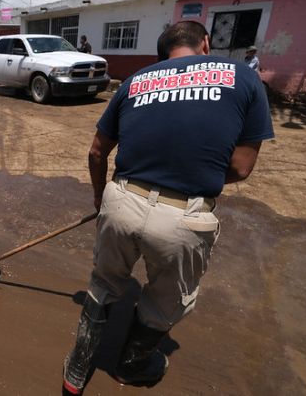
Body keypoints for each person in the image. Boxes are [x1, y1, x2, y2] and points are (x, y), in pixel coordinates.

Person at [61, 21, 274, 395]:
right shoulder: (243, 76)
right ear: (205, 43)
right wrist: (190, 174)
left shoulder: (134, 81)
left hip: (120, 200)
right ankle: (130, 367)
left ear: (162, 56)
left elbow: (96, 152)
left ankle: (76, 372)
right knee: (165, 301)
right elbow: (241, 168)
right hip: (183, 214)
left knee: (104, 284)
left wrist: (100, 198)